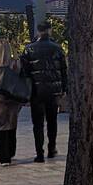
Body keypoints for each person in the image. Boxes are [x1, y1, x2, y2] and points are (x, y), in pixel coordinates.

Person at [20, 22, 68, 163]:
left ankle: (39, 153)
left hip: (36, 91)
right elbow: (64, 71)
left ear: (38, 31)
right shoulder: (58, 49)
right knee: (52, 122)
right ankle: (51, 149)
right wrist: (64, 89)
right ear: (50, 31)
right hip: (53, 92)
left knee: (38, 123)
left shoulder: (29, 49)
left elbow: (25, 72)